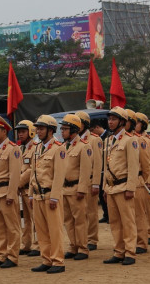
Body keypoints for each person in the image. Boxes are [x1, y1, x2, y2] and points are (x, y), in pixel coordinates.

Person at [27, 115, 65, 274]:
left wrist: (55, 197)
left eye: (41, 129)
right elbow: (33, 173)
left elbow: (59, 175)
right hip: (37, 195)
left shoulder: (58, 148)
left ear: (51, 130)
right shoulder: (37, 148)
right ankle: (46, 259)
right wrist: (30, 194)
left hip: (50, 195)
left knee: (54, 230)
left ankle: (58, 261)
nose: (38, 131)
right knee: (41, 230)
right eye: (37, 128)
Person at [102, 107, 140, 265]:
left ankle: (130, 252)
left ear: (122, 122)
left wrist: (131, 188)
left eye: (114, 119)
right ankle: (119, 251)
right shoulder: (108, 140)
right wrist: (105, 187)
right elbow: (106, 167)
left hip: (123, 187)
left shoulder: (130, 140)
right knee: (115, 222)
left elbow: (133, 166)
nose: (110, 122)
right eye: (109, 119)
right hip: (111, 187)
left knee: (128, 221)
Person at [0, 115, 21, 269]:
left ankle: (12, 256)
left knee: (12, 227)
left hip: (6, 192)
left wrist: (12, 194)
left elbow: (15, 174)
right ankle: (2, 254)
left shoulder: (13, 149)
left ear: (4, 131)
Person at [59, 114, 92, 262]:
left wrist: (82, 189)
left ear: (73, 130)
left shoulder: (83, 146)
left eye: (65, 129)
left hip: (76, 188)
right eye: (62, 129)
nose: (62, 131)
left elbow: (86, 170)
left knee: (80, 220)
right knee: (68, 220)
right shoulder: (63, 147)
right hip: (65, 189)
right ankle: (73, 246)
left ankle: (82, 248)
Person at [78, 111, 104, 251]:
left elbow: (98, 163)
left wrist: (95, 183)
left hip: (89, 181)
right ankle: (81, 238)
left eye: (79, 123)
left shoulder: (94, 139)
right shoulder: (73, 140)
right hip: (76, 182)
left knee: (91, 212)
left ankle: (92, 239)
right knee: (79, 213)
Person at [125, 109, 150, 255]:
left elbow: (146, 164)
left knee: (139, 214)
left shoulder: (139, 140)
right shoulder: (120, 139)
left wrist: (141, 179)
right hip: (123, 182)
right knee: (127, 216)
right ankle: (129, 242)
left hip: (137, 181)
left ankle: (141, 242)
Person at [15, 119, 38, 256]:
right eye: (19, 132)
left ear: (31, 132)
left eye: (23, 131)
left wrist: (17, 182)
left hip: (31, 189)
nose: (20, 134)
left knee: (36, 219)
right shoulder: (20, 149)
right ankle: (26, 244)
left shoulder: (35, 148)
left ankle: (38, 245)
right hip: (22, 190)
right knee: (25, 220)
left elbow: (31, 170)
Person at [136, 111, 150, 246]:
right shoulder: (132, 139)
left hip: (147, 180)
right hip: (137, 180)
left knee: (149, 208)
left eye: (137, 123)